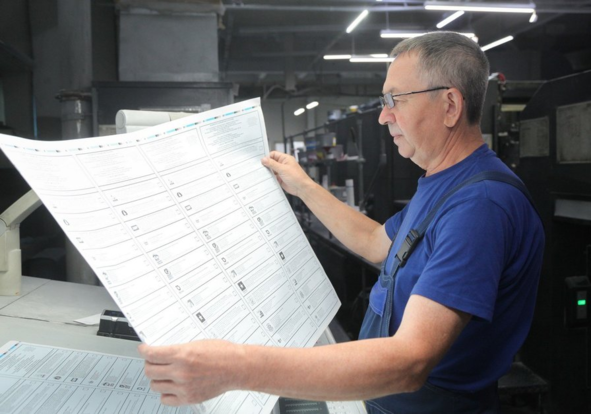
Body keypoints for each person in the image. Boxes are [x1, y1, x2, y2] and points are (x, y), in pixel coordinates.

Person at [138, 31, 545, 413]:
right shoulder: (444, 182)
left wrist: (236, 368)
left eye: (395, 100)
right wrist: (302, 186)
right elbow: (377, 241)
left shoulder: (480, 206)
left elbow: (410, 361)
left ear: (450, 105)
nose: (383, 117)